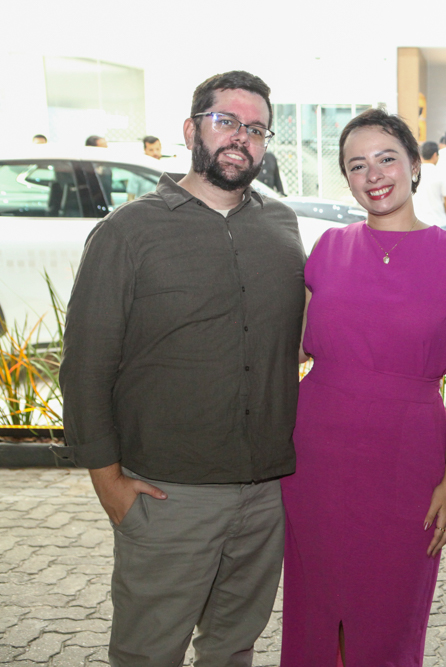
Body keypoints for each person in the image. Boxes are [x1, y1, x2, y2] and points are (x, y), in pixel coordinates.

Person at [61, 70, 303, 666]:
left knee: (232, 648)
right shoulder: (128, 231)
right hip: (168, 494)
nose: (240, 138)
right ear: (192, 129)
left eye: (255, 128)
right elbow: (86, 364)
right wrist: (108, 481)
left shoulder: (281, 226)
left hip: (264, 491)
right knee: (149, 653)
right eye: (226, 122)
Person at [280, 108, 446, 666]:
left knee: (391, 611)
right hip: (316, 457)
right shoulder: (327, 248)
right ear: (346, 178)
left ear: (415, 166)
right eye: (357, 164)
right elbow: (292, 348)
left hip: (408, 457)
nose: (373, 174)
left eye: (386, 158)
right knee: (317, 607)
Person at [412, 140, 446, 230]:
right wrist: (442, 211)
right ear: (435, 155)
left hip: (418, 224)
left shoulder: (413, 173)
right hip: (439, 223)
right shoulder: (441, 172)